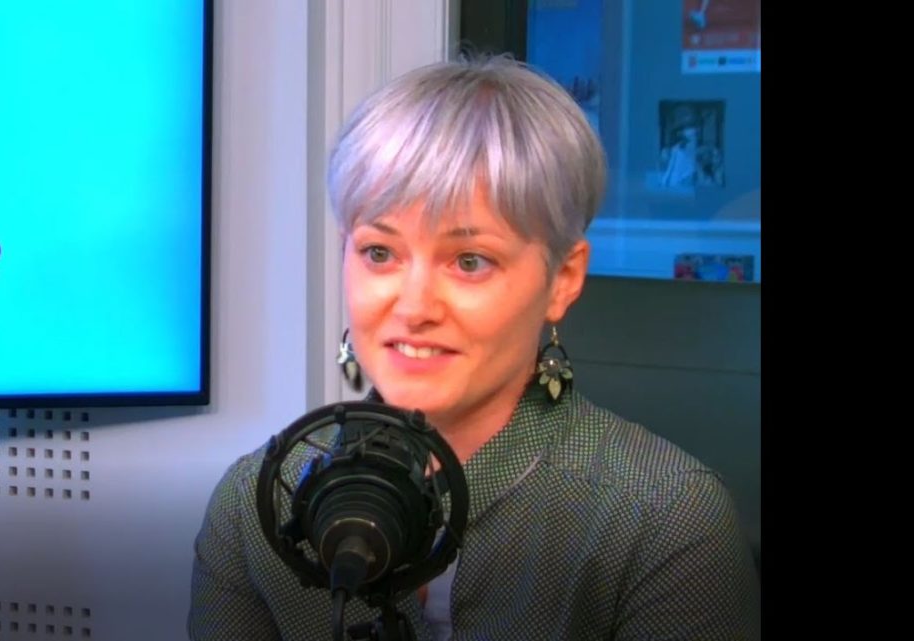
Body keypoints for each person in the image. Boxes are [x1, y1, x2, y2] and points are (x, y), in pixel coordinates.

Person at [188, 55, 761, 640]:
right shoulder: (255, 507)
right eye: (380, 253)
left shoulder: (665, 518)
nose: (414, 307)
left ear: (562, 279)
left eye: (469, 261)